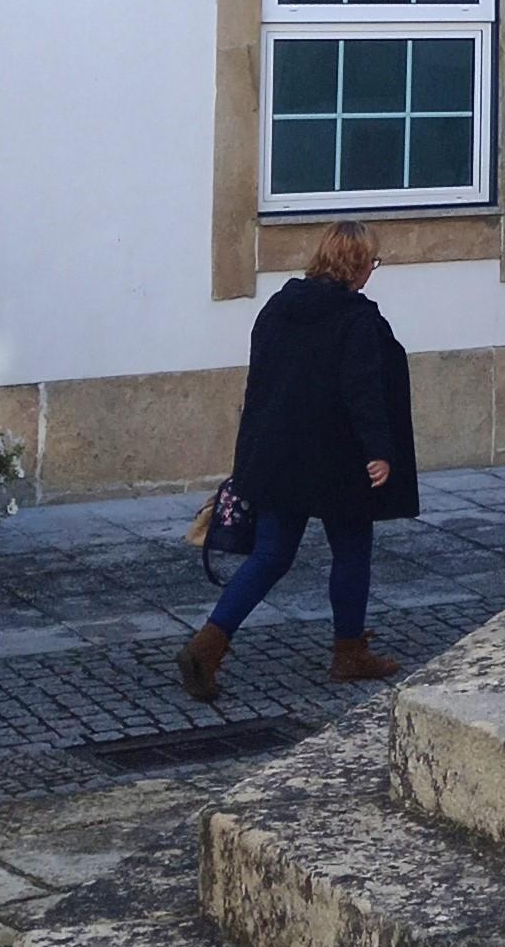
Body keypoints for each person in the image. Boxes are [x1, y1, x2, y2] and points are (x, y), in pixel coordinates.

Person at [178, 224, 420, 694]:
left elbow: (261, 384)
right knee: (351, 551)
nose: (373, 270)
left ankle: (206, 648)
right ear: (357, 264)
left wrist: (249, 458)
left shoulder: (278, 307)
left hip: (279, 456)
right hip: (339, 460)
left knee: (270, 555)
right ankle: (348, 653)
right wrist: (379, 452)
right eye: (372, 262)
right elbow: (363, 390)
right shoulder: (357, 320)